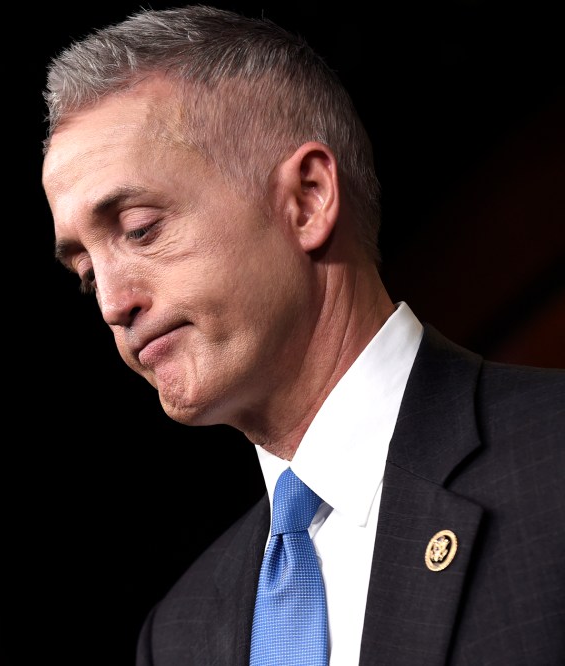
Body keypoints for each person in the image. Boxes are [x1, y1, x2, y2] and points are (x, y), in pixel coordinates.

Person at [40, 5, 565, 665]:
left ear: (308, 199)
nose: (113, 304)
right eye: (87, 275)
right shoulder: (176, 636)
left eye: (141, 229)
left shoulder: (553, 458)